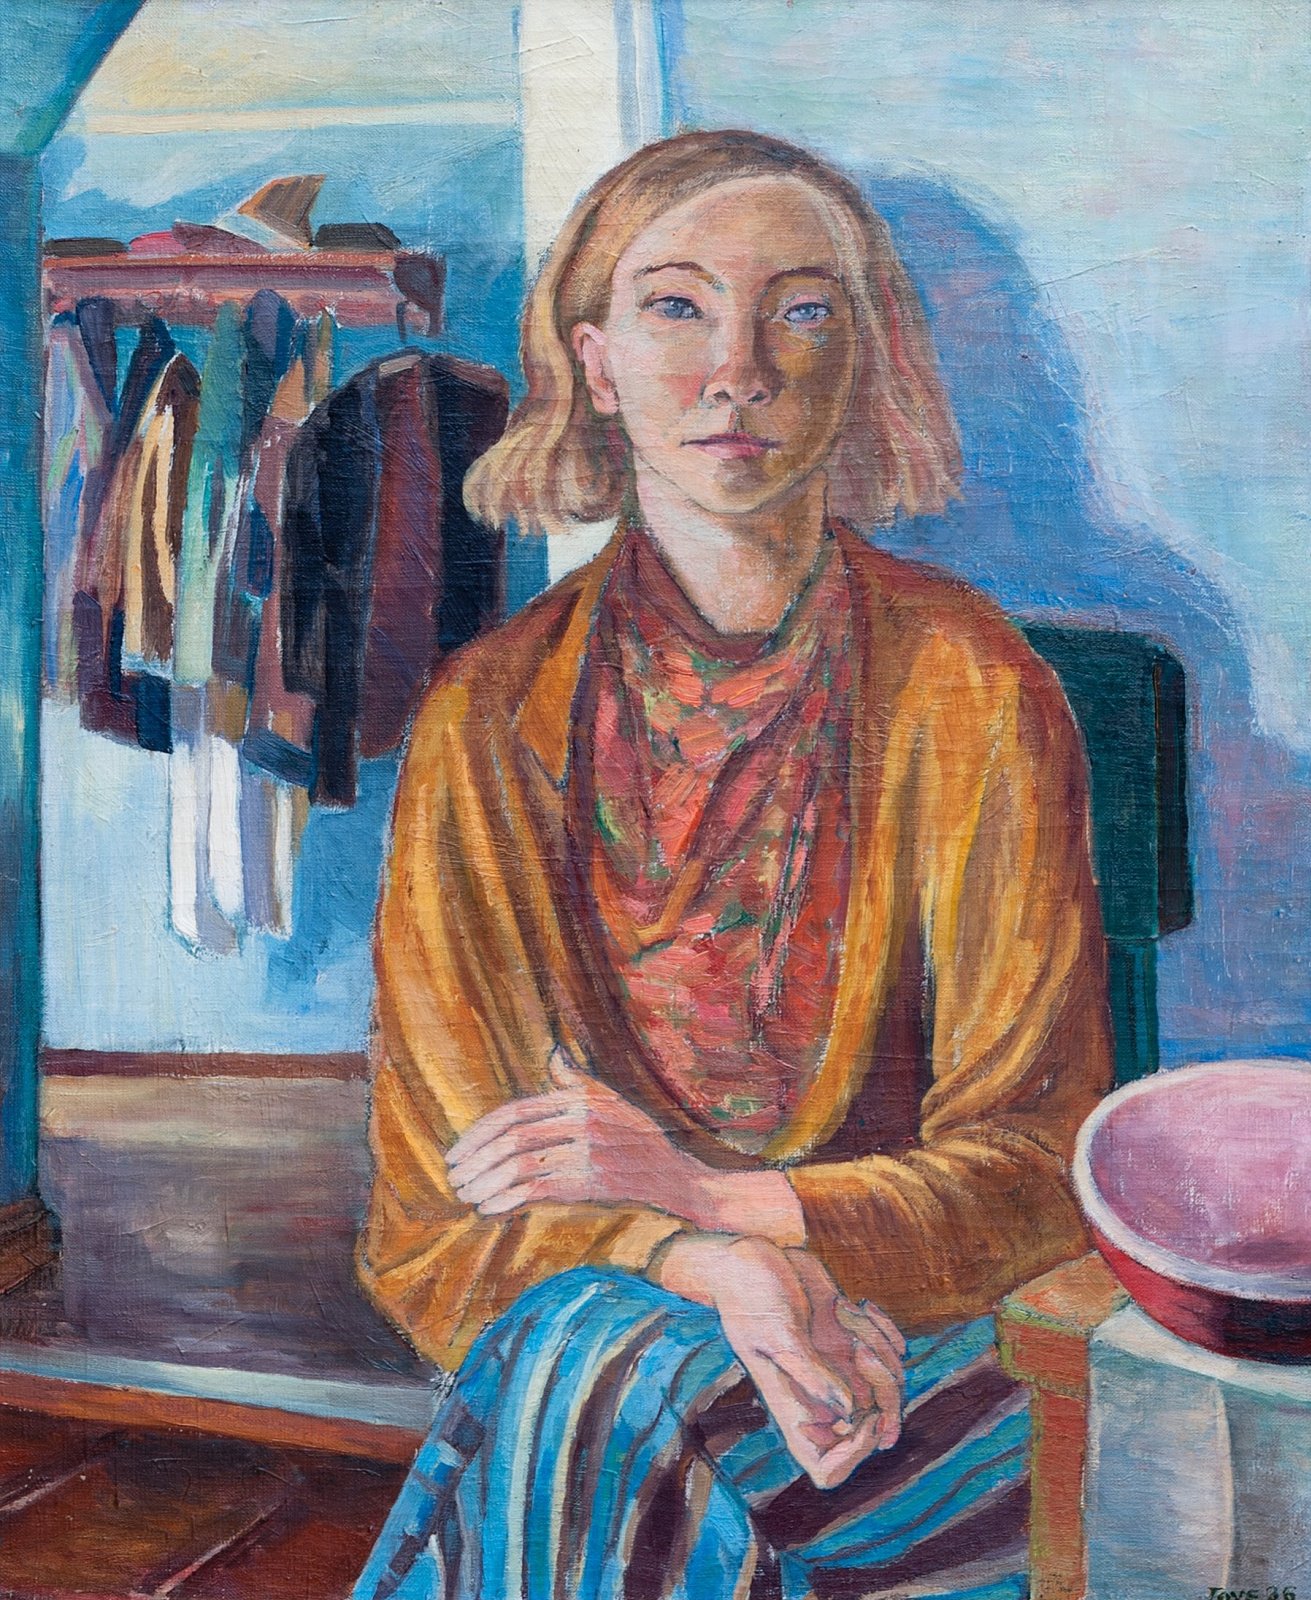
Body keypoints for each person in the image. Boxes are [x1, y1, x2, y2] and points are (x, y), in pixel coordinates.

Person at [351, 129, 1113, 1600]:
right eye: (677, 307)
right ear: (594, 361)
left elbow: (1038, 1179)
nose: (738, 369)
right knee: (604, 1370)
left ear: (862, 357)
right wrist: (711, 1265)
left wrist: (727, 1206)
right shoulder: (486, 719)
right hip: (641, 1328)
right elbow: (437, 1221)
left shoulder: (973, 686)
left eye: (802, 311)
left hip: (920, 1359)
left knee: (594, 1394)